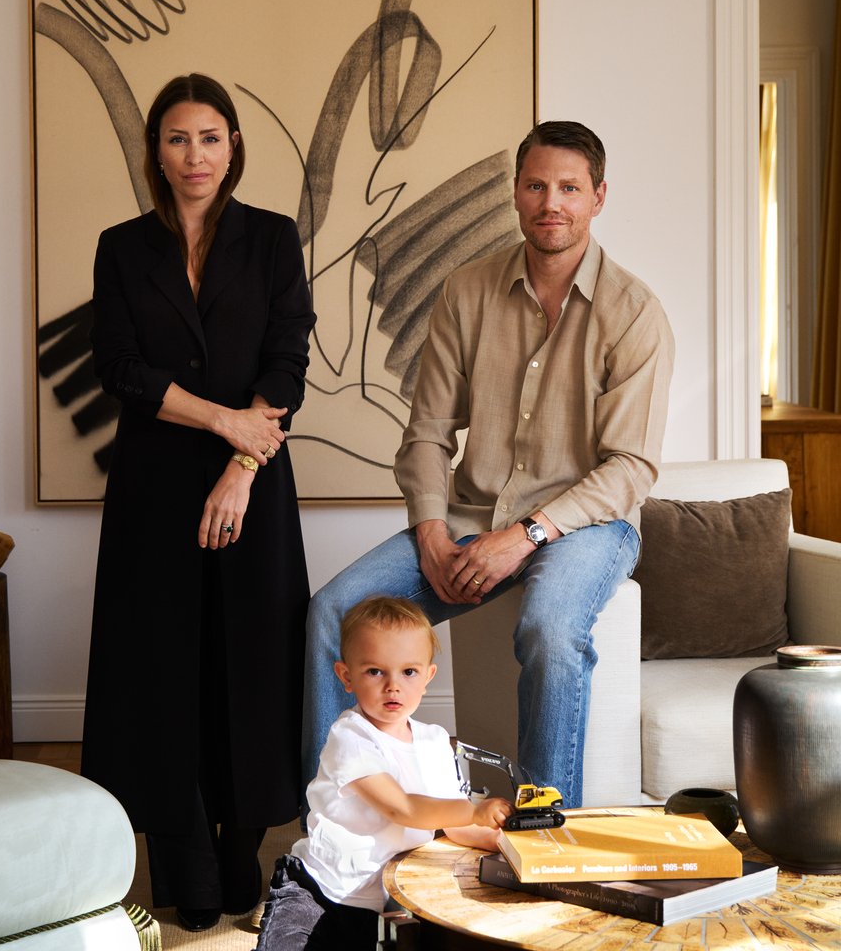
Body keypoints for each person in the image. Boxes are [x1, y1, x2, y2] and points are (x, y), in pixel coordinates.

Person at [303, 120, 676, 811]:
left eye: (569, 187)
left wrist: (526, 536)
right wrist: (432, 530)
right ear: (515, 193)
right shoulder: (466, 292)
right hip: (473, 515)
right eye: (536, 185)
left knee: (550, 629)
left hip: (590, 527)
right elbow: (426, 432)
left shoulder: (634, 313)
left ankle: (542, 829)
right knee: (334, 609)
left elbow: (630, 466)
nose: (550, 202)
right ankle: (341, 824)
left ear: (598, 197)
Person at [80, 72, 315, 932]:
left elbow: (288, 363)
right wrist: (224, 422)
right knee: (161, 670)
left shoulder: (272, 239)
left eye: (210, 137)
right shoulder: (121, 246)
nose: (195, 156)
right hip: (153, 486)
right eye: (178, 139)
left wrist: (242, 465)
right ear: (156, 152)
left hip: (253, 484)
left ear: (234, 146)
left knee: (255, 665)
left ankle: (238, 847)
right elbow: (122, 370)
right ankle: (180, 856)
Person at [257, 596, 511, 950]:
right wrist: (474, 809)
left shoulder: (435, 742)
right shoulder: (350, 737)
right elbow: (402, 808)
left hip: (389, 899)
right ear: (346, 676)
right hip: (319, 888)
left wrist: (504, 839)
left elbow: (454, 822)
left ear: (427, 677)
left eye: (408, 672)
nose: (393, 685)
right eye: (375, 671)